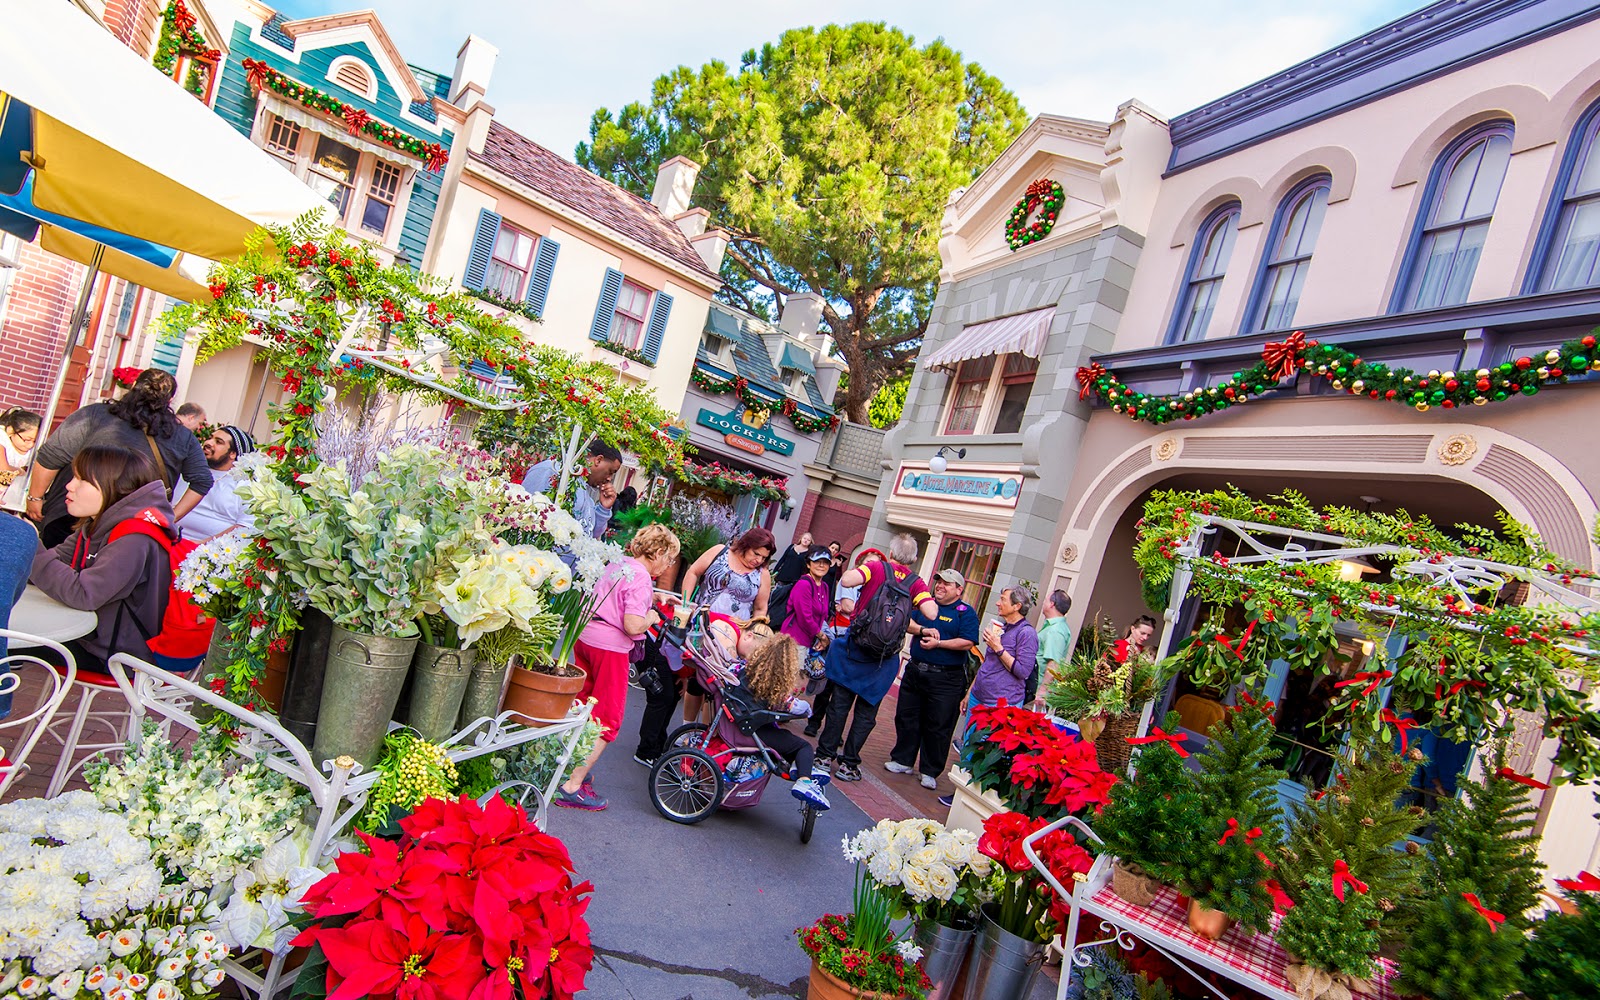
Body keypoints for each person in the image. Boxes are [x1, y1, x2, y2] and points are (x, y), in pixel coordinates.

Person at [556, 523, 681, 811]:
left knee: (581, 705)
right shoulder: (642, 577)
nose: (668, 564)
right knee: (607, 718)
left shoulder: (618, 563)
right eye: (669, 558)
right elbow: (632, 623)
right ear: (658, 552)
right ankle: (572, 786)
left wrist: (654, 596)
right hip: (610, 647)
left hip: (585, 635)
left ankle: (563, 769)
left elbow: (617, 595)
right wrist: (651, 615)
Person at [28, 445, 176, 675]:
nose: (69, 485)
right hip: (90, 637)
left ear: (115, 487)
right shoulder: (98, 524)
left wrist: (27, 544)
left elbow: (84, 595)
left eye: (81, 479)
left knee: (7, 636)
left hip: (114, 656)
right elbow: (55, 561)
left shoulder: (134, 539)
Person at [27, 369, 211, 548]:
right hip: (133, 527)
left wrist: (35, 498)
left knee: (53, 572)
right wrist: (169, 516)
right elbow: (202, 481)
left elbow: (51, 456)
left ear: (133, 387)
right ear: (169, 401)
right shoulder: (183, 437)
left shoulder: (94, 415)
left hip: (69, 515)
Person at [813, 533, 938, 783]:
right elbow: (931, 612)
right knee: (866, 714)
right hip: (883, 659)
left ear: (891, 554)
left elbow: (847, 580)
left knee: (839, 706)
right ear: (913, 559)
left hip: (856, 649)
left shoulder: (876, 568)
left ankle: (824, 757)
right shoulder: (916, 583)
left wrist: (864, 573)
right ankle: (849, 764)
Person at [885, 568, 979, 790]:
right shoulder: (925, 606)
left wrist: (940, 644)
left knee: (938, 726)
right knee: (907, 716)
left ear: (959, 589)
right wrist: (923, 630)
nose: (940, 586)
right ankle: (903, 760)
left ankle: (929, 771)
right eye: (938, 581)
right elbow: (906, 622)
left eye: (947, 583)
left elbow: (968, 642)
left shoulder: (965, 612)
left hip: (946, 678)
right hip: (916, 670)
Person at [679, 526, 775, 725]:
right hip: (703, 624)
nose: (758, 560)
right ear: (745, 545)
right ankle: (686, 726)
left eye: (763, 557)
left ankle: (706, 732)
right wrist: (686, 605)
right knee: (697, 678)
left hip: (733, 635)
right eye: (756, 553)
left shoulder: (762, 574)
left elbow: (760, 608)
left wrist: (756, 636)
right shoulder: (720, 551)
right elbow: (693, 572)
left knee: (716, 685)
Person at [735, 633, 830, 810]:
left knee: (785, 737)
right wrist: (807, 709)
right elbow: (796, 708)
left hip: (739, 723)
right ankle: (804, 780)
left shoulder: (745, 671)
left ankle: (800, 767)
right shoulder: (774, 686)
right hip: (755, 732)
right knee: (804, 747)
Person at [803, 547, 881, 738]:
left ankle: (833, 733)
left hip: (861, 642)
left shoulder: (878, 587)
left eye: (876, 564)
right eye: (869, 563)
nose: (872, 567)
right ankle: (814, 721)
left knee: (844, 689)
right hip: (841, 636)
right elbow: (847, 606)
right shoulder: (850, 580)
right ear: (860, 564)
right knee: (828, 682)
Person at [521, 439, 623, 540]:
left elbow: (589, 533)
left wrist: (603, 509)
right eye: (610, 471)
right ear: (598, 460)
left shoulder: (585, 491)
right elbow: (525, 514)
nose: (609, 478)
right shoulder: (551, 471)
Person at [177, 426, 256, 542]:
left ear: (233, 454)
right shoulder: (187, 469)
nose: (208, 443)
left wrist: (199, 546)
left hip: (205, 552)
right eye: (210, 438)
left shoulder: (245, 485)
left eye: (218, 442)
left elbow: (244, 527)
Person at [969, 586, 1039, 712]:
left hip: (1001, 704)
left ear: (1017, 606)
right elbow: (988, 664)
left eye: (1002, 600)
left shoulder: (1027, 633)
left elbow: (1023, 671)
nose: (997, 603)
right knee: (968, 733)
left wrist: (998, 648)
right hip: (977, 696)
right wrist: (969, 693)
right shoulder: (1003, 627)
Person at [778, 546, 833, 651]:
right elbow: (805, 617)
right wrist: (822, 636)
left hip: (810, 641)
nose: (821, 565)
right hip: (794, 640)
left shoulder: (824, 587)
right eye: (817, 561)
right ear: (808, 564)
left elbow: (823, 615)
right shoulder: (804, 584)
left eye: (825, 562)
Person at [1034, 589, 1073, 711]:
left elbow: (1053, 663)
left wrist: (1042, 690)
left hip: (1037, 692)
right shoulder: (1054, 627)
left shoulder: (1056, 631)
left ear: (1051, 604)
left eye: (1045, 600)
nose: (1043, 603)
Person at [0, 408, 41, 512]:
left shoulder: (30, 450)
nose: (30, 445)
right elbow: (3, 469)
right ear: (11, 431)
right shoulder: (2, 438)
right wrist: (20, 471)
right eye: (27, 440)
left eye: (34, 441)